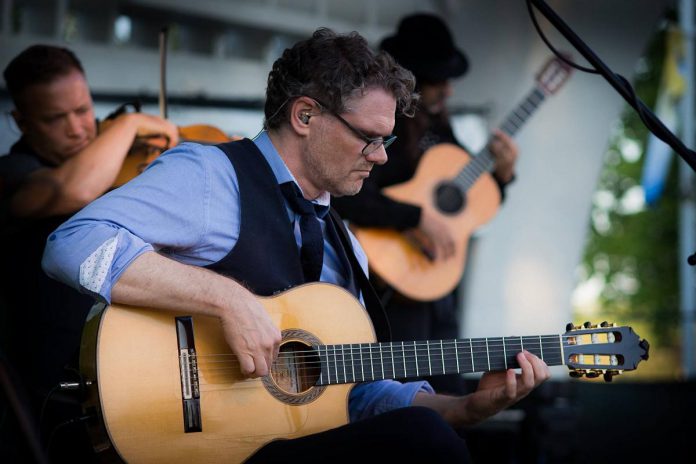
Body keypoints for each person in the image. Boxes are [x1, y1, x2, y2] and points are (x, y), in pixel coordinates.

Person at [42, 28, 548, 462]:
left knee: (433, 433)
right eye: (369, 138)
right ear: (306, 116)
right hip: (187, 442)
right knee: (426, 443)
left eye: (387, 141)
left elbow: (357, 393)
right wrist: (226, 298)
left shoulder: (347, 245)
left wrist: (462, 409)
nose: (381, 158)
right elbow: (72, 243)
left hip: (281, 445)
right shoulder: (212, 175)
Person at [0, 44, 179, 461]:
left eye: (83, 110)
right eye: (54, 119)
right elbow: (73, 189)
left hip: (137, 362)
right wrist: (131, 122)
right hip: (61, 382)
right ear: (21, 122)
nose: (78, 129)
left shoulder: (116, 159)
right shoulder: (12, 175)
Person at [332, 13, 520, 396]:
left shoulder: (439, 128)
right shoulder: (382, 126)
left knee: (447, 390)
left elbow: (470, 200)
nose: (448, 90)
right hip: (393, 278)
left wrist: (502, 175)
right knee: (405, 391)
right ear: (415, 77)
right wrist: (417, 218)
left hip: (437, 280)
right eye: (439, 80)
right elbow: (349, 196)